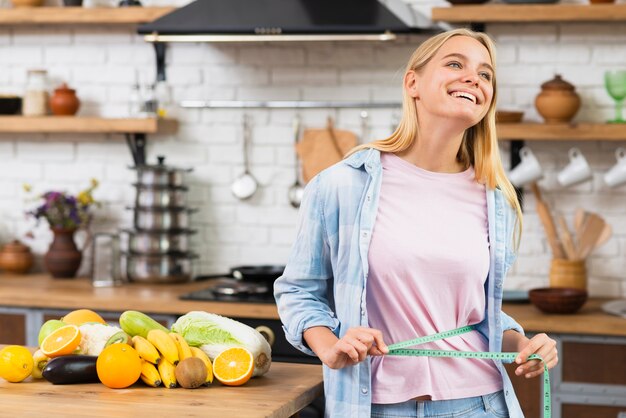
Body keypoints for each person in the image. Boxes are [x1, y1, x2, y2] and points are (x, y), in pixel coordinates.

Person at [274, 28, 558, 418]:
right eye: (455, 64)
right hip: (371, 405)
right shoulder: (343, 184)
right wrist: (329, 345)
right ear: (413, 83)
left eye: (485, 74)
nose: (474, 78)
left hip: (479, 404)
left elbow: (475, 316)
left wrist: (521, 342)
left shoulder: (496, 198)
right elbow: (299, 291)